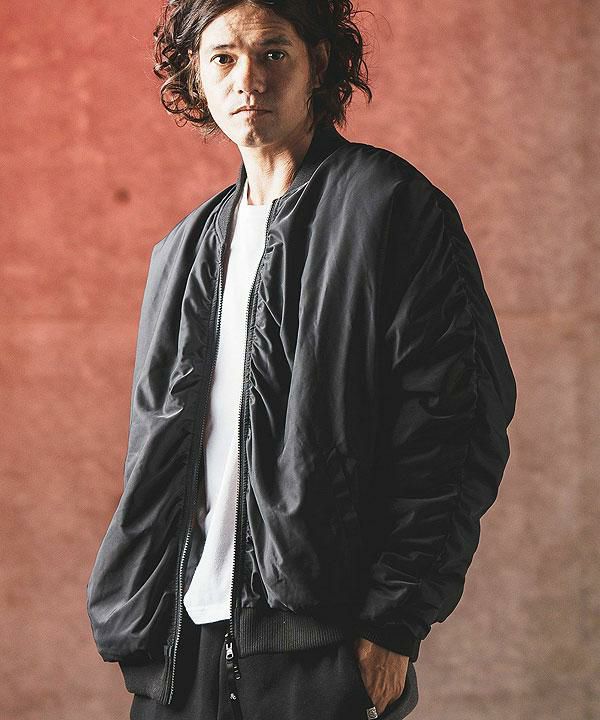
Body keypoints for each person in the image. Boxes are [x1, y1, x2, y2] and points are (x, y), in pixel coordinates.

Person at [86, 1, 518, 719]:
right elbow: (158, 461)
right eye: (223, 57)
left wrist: (394, 620)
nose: (247, 79)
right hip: (181, 649)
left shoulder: (391, 209)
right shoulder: (184, 251)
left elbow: (456, 424)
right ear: (195, 75)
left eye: (272, 53)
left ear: (318, 62)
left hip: (320, 645)